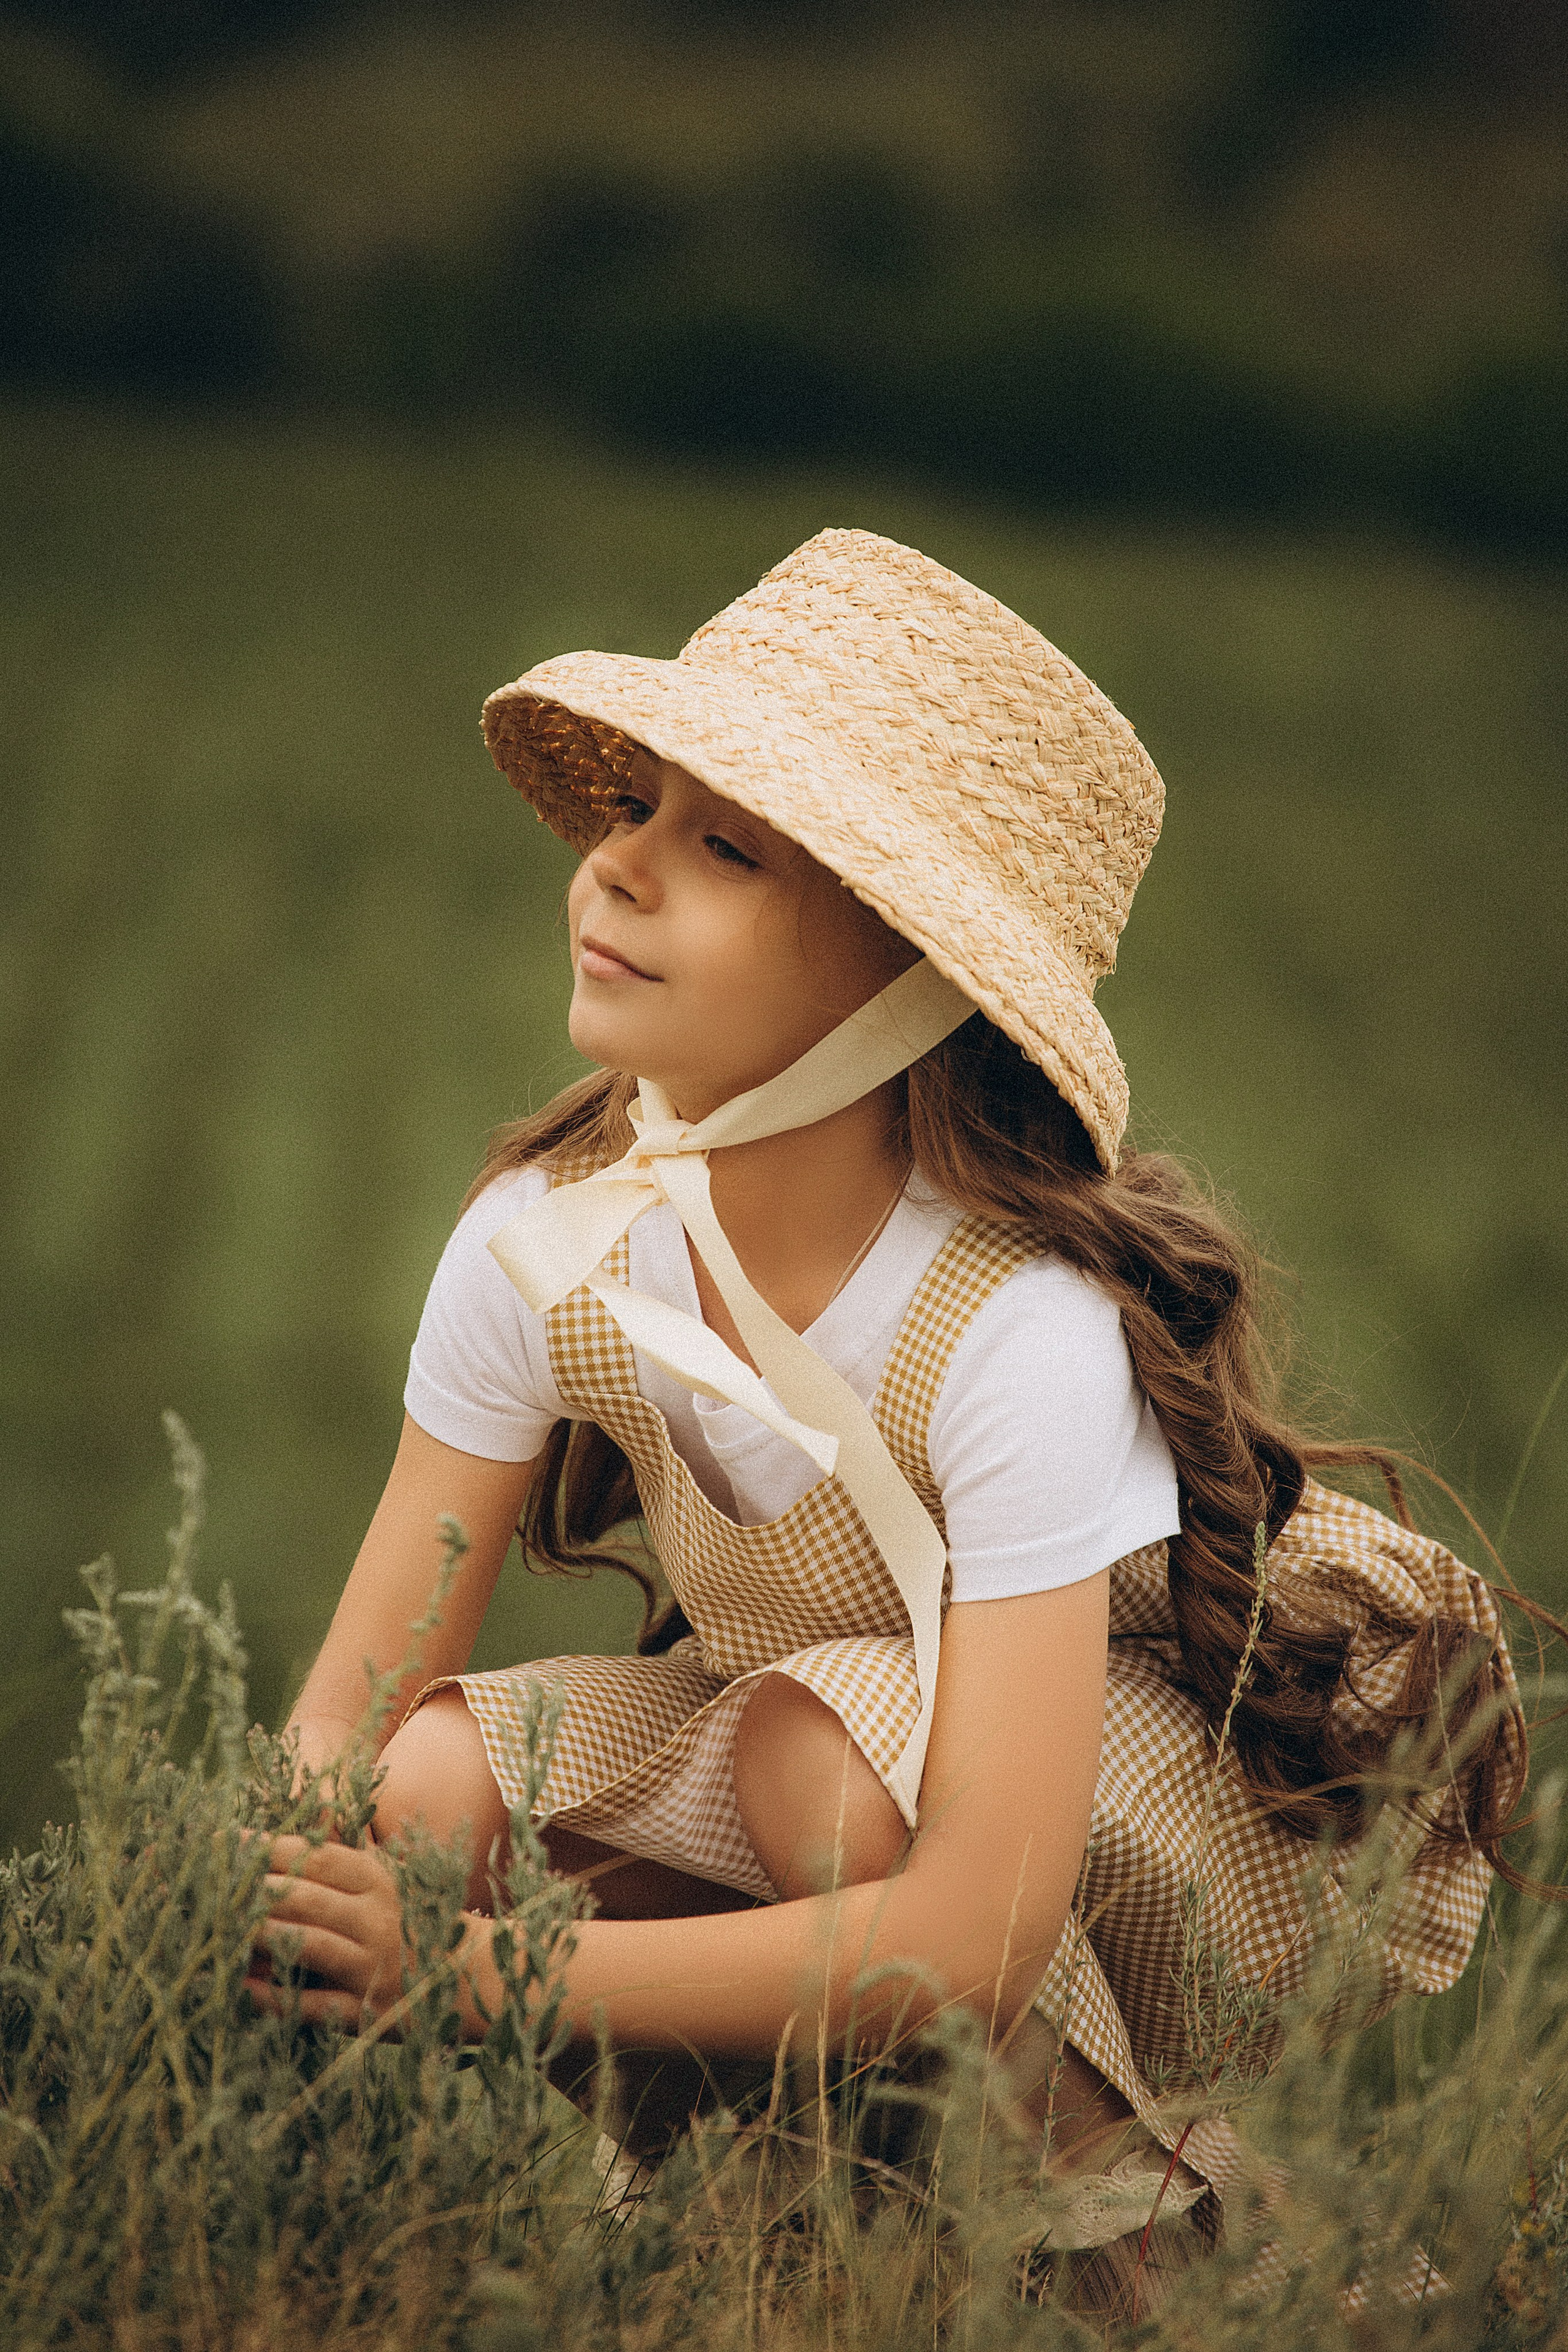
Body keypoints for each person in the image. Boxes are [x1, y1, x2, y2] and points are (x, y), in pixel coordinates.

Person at [251, 527, 1526, 2286]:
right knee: (426, 1782)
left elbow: (982, 1929)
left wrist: (476, 1979)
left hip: (1091, 1785)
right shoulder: (541, 1246)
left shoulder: (1018, 1330)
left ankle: (1130, 2267)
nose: (612, 869)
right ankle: (761, 2239)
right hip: (788, 1722)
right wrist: (289, 1899)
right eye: (637, 811)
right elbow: (350, 1709)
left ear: (907, 974)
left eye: (722, 844)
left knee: (826, 1767)